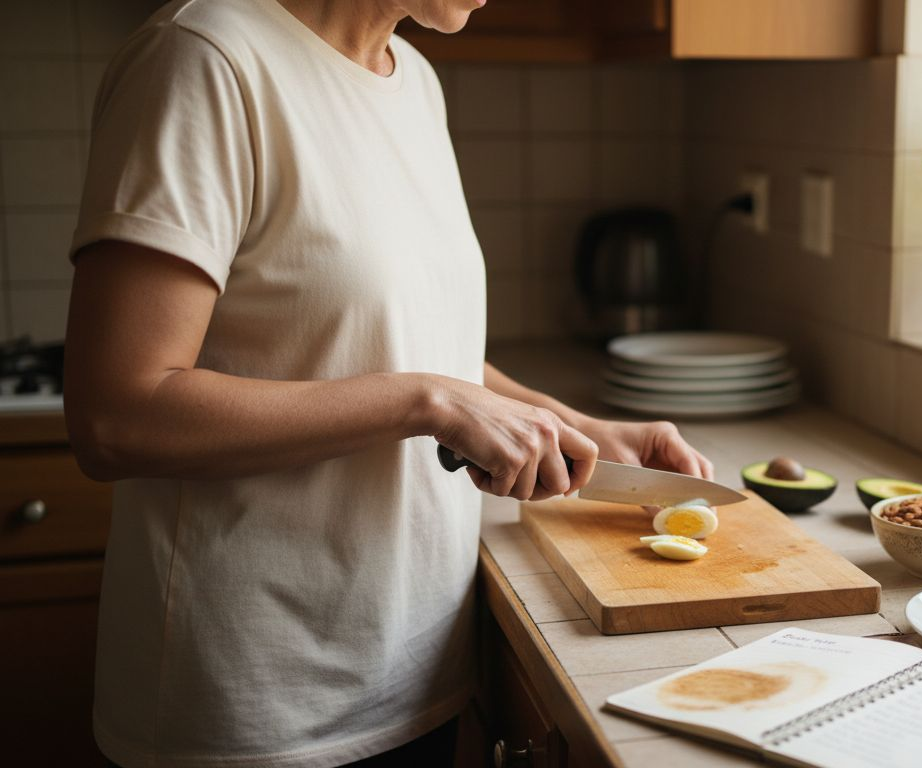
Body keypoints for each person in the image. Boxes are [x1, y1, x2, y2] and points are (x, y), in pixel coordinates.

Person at [63, 0, 712, 766]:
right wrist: (425, 403)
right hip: (257, 705)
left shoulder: (416, 83)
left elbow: (409, 340)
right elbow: (117, 415)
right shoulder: (206, 58)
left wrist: (582, 428)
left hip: (412, 673)